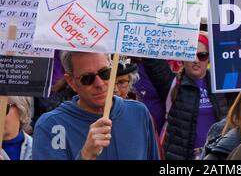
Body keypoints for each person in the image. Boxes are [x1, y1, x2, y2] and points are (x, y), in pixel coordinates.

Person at [32, 51, 160, 160]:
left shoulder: (138, 112)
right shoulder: (50, 125)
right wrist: (86, 155)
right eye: (87, 78)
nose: (99, 83)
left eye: (105, 73)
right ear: (71, 82)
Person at [142, 32, 234, 159]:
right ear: (181, 57)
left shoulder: (222, 82)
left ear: (209, 58)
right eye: (190, 55)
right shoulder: (171, 83)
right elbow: (152, 59)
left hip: (217, 156)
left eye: (202, 55)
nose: (196, 60)